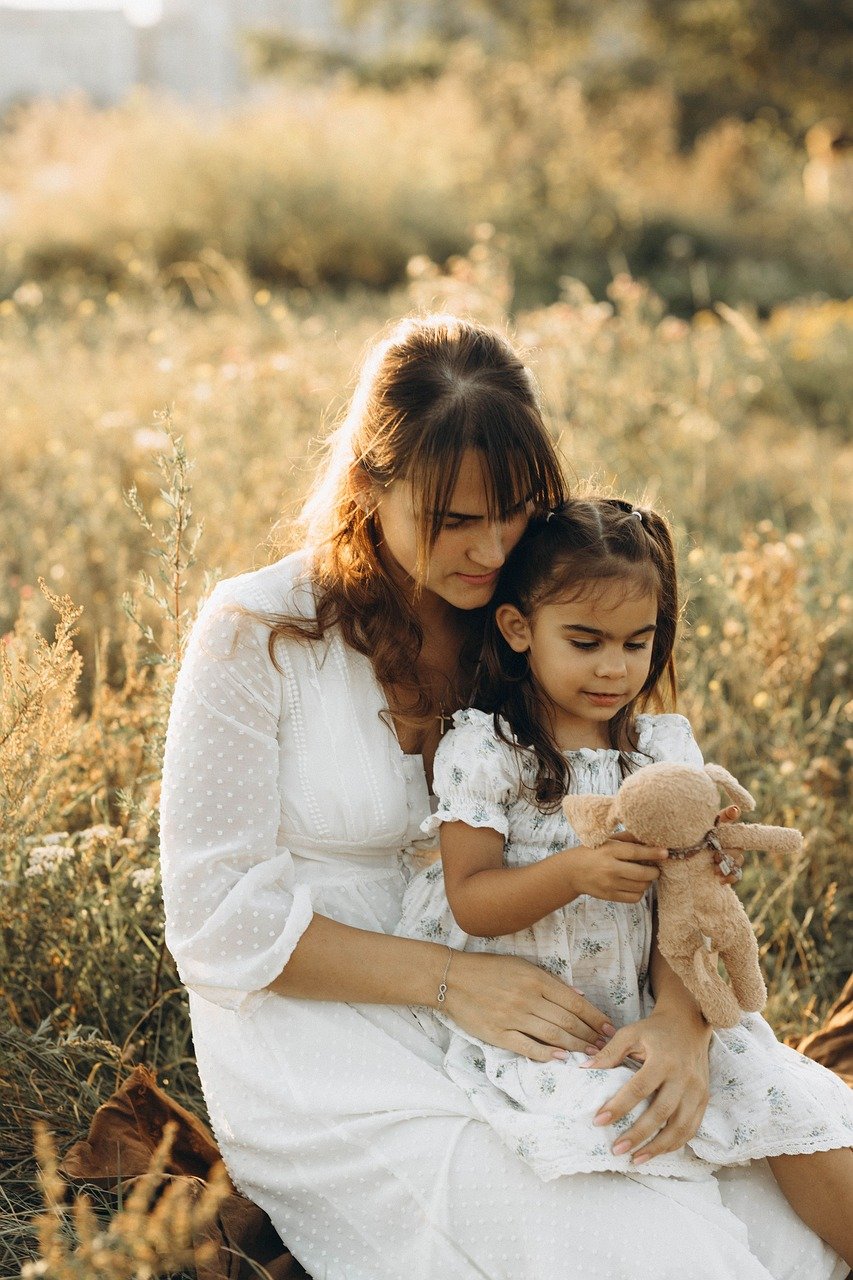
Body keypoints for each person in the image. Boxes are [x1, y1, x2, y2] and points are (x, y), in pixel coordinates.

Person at [159, 314, 848, 1280]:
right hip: (327, 1024)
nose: (488, 547)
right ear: (370, 485)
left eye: (514, 509)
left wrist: (683, 1025)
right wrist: (452, 979)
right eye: (451, 520)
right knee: (642, 1249)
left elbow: (665, 847)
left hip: (567, 977)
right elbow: (217, 921)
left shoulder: (534, 620)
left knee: (795, 1230)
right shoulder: (256, 633)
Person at [395, 497, 853, 1247]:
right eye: (585, 642)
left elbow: (685, 905)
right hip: (545, 1019)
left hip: (660, 995)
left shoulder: (659, 750)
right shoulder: (487, 750)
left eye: (636, 643)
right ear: (518, 628)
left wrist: (678, 1017)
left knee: (793, 1111)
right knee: (621, 1151)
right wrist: (573, 872)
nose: (614, 668)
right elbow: (471, 900)